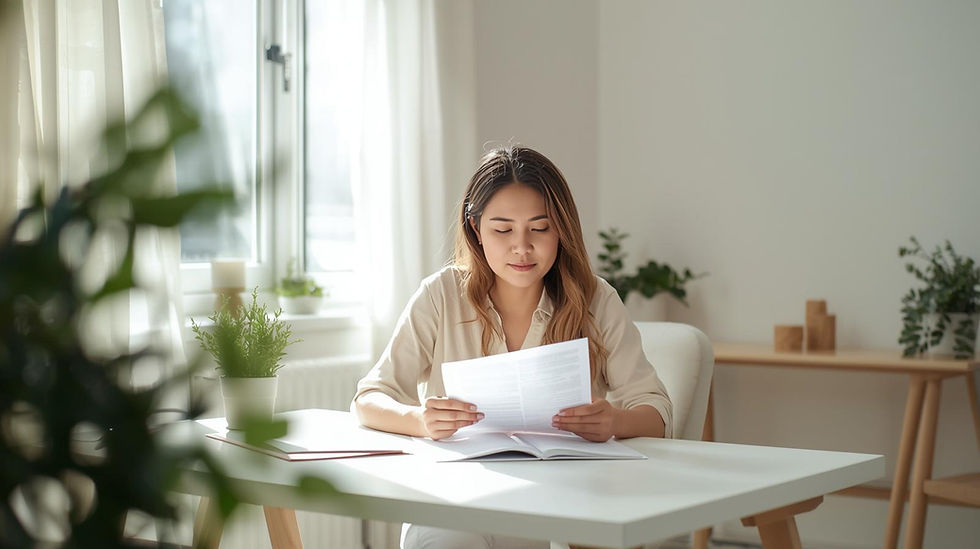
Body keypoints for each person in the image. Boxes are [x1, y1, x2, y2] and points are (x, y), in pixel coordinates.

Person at [351, 145, 673, 549]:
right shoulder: (441, 295)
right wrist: (419, 420)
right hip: (459, 497)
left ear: (562, 230)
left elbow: (657, 411)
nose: (522, 247)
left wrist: (615, 423)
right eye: (503, 230)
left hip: (570, 500)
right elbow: (369, 398)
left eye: (539, 228)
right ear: (475, 229)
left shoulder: (596, 299)